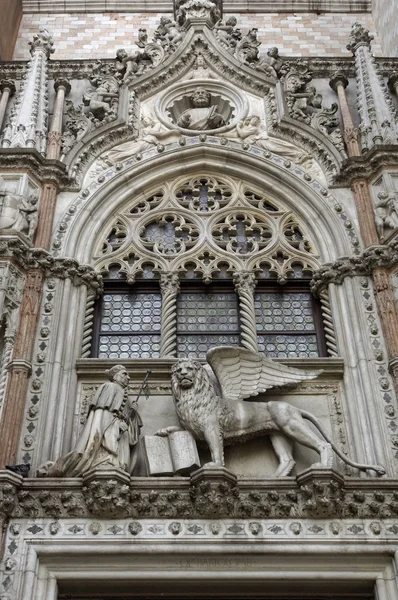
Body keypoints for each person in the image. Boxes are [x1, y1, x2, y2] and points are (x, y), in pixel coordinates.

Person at [43, 365, 142, 477]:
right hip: (110, 434)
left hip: (120, 436)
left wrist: (132, 413)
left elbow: (126, 419)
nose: (128, 377)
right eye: (124, 374)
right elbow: (103, 417)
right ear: (115, 376)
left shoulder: (124, 394)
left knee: (119, 464)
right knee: (106, 460)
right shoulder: (110, 387)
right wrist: (117, 425)